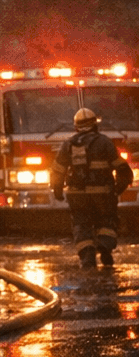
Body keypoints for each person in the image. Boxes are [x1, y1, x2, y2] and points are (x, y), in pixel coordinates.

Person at [52, 107, 132, 269]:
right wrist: (119, 188)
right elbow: (122, 168)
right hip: (103, 194)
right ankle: (104, 246)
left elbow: (57, 171)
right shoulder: (104, 142)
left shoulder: (68, 145)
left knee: (81, 224)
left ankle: (87, 256)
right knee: (107, 221)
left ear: (76, 127)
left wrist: (58, 190)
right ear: (95, 125)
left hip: (77, 195)